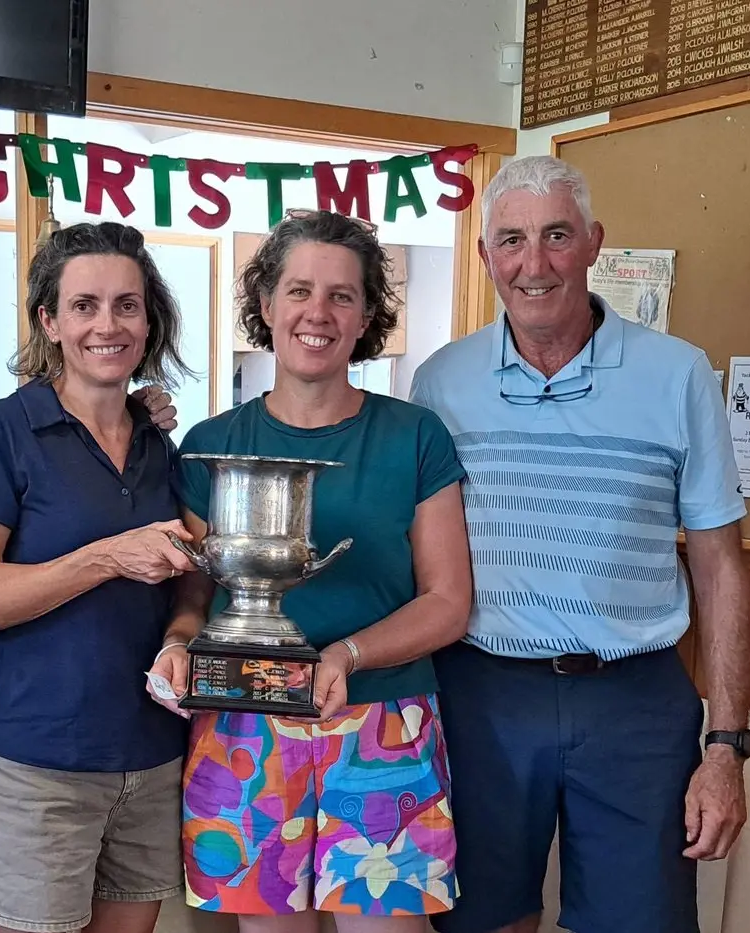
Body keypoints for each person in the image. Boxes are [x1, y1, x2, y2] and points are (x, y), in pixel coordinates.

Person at [409, 155, 750, 933]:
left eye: (557, 235)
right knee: (479, 919)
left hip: (634, 698)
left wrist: (727, 745)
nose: (535, 264)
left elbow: (721, 565)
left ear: (594, 242)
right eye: (513, 240)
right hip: (481, 692)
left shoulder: (678, 374)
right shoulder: (439, 383)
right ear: (486, 255)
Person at [147, 209, 472, 931]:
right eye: (298, 291)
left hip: (386, 719)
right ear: (265, 306)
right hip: (245, 721)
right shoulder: (212, 441)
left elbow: (449, 601)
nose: (316, 313)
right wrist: (178, 642)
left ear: (366, 317)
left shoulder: (414, 434)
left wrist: (348, 654)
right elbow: (197, 588)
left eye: (342, 295)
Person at [0, 221, 197, 933]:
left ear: (150, 321)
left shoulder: (159, 440)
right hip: (36, 764)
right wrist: (107, 556)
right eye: (84, 305)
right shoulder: (0, 429)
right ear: (49, 321)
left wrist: (182, 634)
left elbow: (188, 581)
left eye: (127, 305)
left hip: (150, 756)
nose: (106, 324)